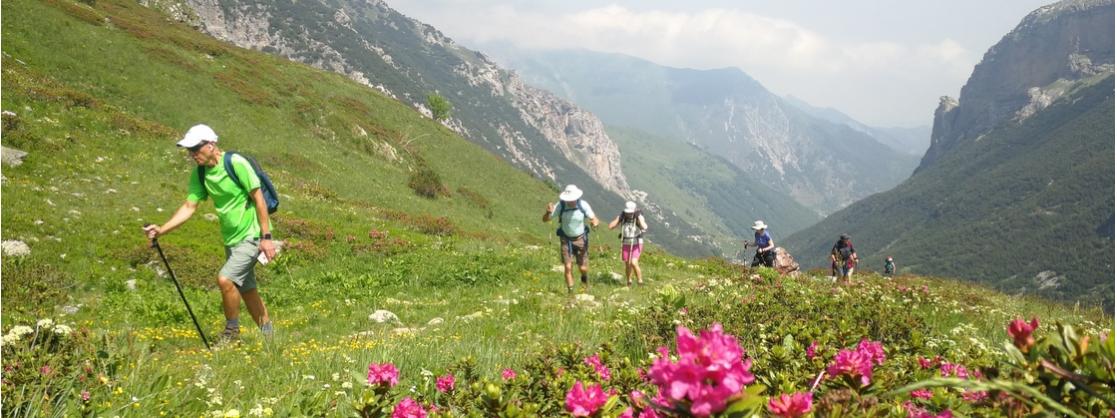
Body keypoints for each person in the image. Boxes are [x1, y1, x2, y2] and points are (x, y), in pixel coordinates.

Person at [143, 124, 276, 342]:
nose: (192, 154)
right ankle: (270, 338)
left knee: (225, 280)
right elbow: (189, 207)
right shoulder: (201, 173)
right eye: (189, 150)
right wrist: (162, 230)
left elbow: (258, 198)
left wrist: (266, 238)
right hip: (231, 239)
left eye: (196, 149)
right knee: (247, 288)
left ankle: (231, 333)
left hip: (251, 235)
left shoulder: (235, 163)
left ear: (211, 145)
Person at [543, 185, 599, 293]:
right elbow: (545, 220)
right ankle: (571, 293)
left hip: (581, 239)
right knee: (568, 267)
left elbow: (594, 218)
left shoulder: (583, 205)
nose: (570, 201)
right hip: (565, 239)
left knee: (583, 268)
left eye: (572, 199)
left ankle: (584, 279)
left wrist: (595, 223)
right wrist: (548, 212)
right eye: (568, 199)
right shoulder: (560, 205)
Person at [608, 201, 648, 286]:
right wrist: (619, 218)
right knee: (627, 263)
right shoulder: (623, 216)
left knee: (633, 262)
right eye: (627, 213)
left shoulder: (638, 216)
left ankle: (640, 282)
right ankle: (629, 281)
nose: (629, 214)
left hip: (637, 242)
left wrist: (638, 217)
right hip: (626, 243)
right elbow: (610, 226)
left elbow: (645, 227)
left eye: (630, 213)